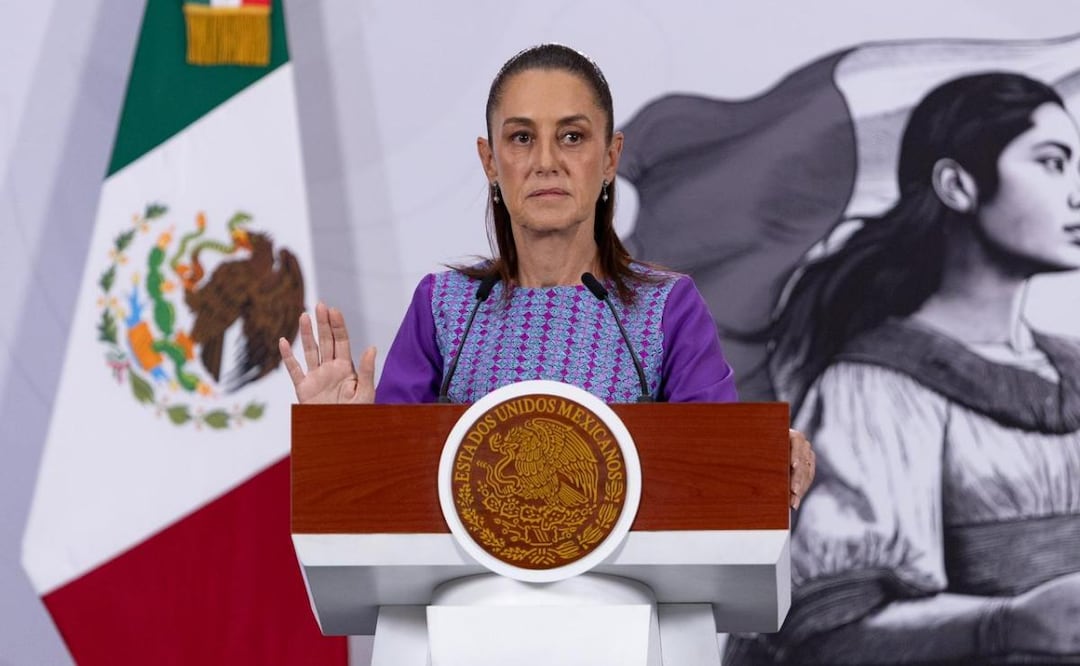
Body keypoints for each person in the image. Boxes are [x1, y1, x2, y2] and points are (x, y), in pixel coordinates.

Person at [278, 43, 815, 507]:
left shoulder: (666, 309)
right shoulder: (444, 308)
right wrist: (340, 439)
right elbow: (383, 494)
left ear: (611, 157)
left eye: (573, 137)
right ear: (490, 162)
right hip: (466, 620)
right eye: (521, 138)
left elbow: (716, 469)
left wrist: (763, 459)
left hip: (623, 619)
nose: (546, 161)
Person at [725, 72, 1080, 664]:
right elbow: (827, 630)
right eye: (1052, 163)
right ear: (957, 185)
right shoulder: (874, 388)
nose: (1077, 192)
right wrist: (1007, 624)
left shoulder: (1070, 365)